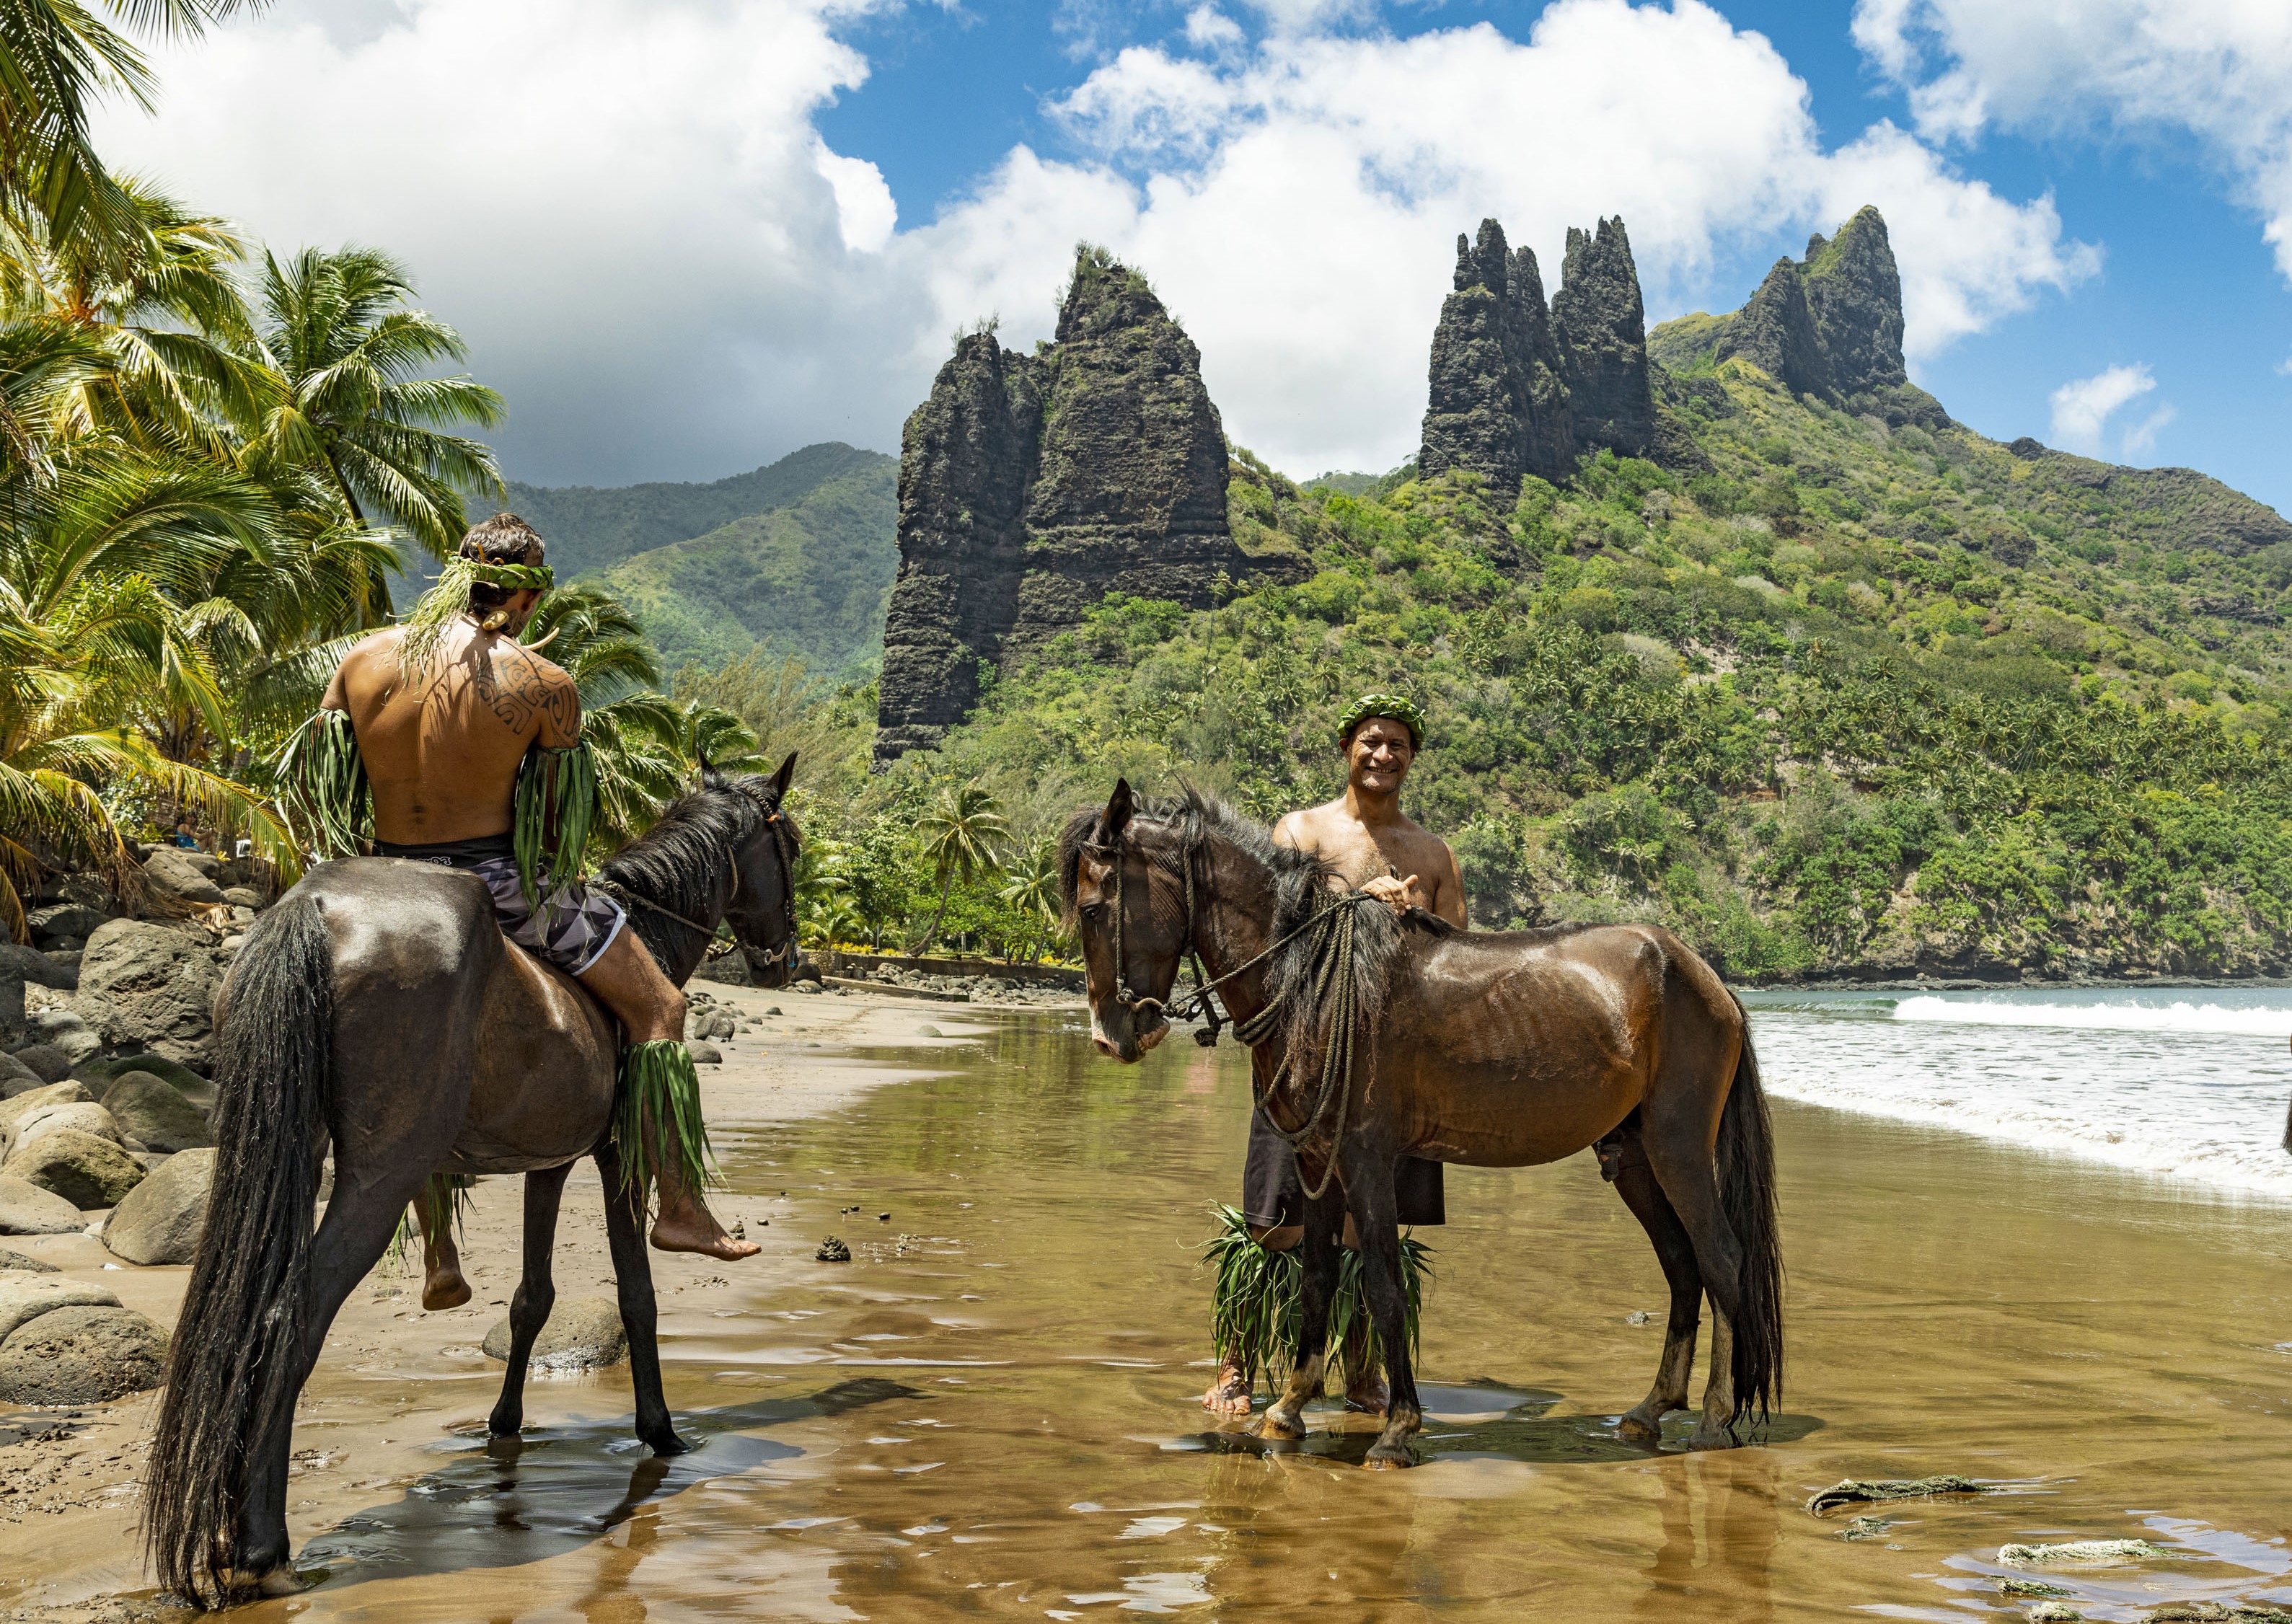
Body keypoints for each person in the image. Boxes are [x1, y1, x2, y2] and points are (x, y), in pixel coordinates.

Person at [310, 513, 758, 1309]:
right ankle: (683, 1208)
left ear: (457, 574)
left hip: (375, 874)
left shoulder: (359, 660)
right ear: (524, 593)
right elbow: (551, 829)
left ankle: (440, 1251)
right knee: (662, 1007)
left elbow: (331, 785)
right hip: (493, 881)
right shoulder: (543, 684)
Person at [1202, 693, 1467, 1416]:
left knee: (1368, 1224)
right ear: (1346, 746)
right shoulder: (1301, 830)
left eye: (1399, 746)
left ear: (1412, 758)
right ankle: (1237, 1363)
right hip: (1304, 1062)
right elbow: (1270, 936)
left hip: (1394, 1066)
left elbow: (1458, 958)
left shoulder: (1433, 853)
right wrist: (1353, 901)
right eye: (1372, 741)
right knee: (1273, 1218)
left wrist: (1416, 924)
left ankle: (1361, 1368)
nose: (1384, 755)